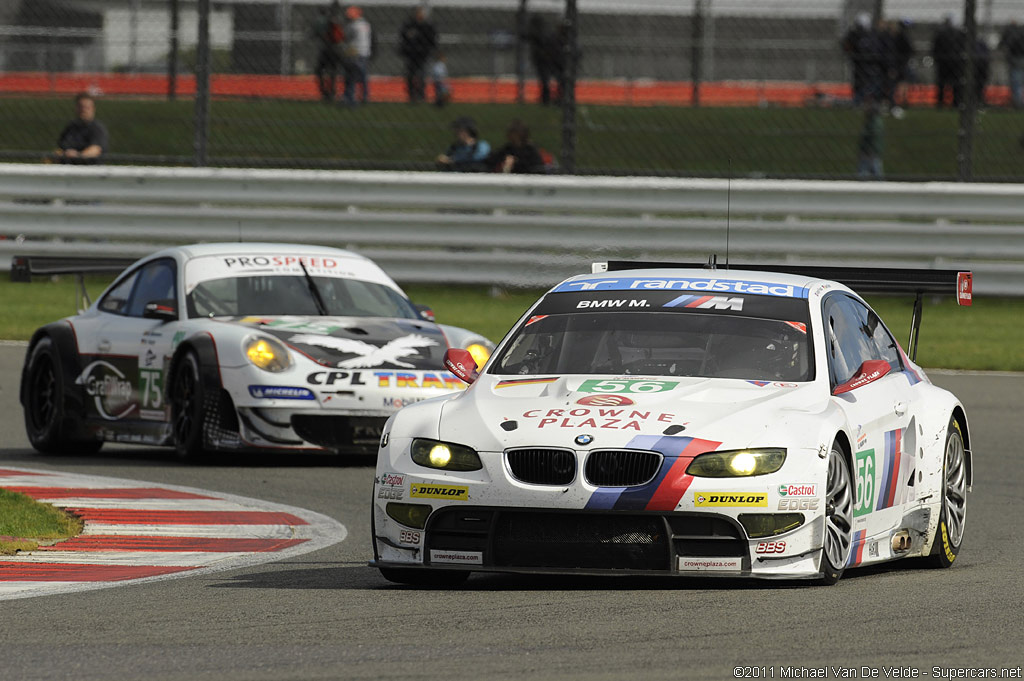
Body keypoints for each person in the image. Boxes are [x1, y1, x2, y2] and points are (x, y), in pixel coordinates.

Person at [53, 92, 108, 165]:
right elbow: (61, 147)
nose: (83, 110)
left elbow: (95, 150)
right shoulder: (71, 127)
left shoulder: (97, 128)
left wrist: (78, 155)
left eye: (87, 107)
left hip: (90, 170)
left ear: (93, 109)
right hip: (69, 169)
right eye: (80, 107)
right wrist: (61, 154)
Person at [398, 6, 437, 104]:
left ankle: (421, 94)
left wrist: (427, 49)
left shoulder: (427, 26)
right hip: (411, 54)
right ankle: (411, 95)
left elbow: (432, 40)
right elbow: (403, 37)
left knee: (422, 75)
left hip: (423, 55)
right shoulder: (409, 25)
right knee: (410, 75)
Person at [312, 1, 345, 102]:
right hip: (337, 49)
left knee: (319, 70)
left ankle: (325, 91)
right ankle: (332, 91)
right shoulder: (340, 19)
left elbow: (315, 34)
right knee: (333, 70)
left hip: (326, 49)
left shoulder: (323, 20)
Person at [526, 14, 559, 105]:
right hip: (543, 59)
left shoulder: (541, 32)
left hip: (545, 59)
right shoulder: (539, 32)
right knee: (545, 79)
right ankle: (547, 97)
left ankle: (547, 98)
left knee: (546, 79)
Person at [342, 6, 372, 105]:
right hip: (364, 53)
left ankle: (350, 98)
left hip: (354, 53)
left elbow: (346, 37)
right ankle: (364, 96)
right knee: (362, 77)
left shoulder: (353, 25)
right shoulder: (365, 24)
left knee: (351, 77)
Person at [932, 15, 963, 108]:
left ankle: (940, 102)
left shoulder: (940, 33)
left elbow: (935, 48)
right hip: (954, 62)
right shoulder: (958, 33)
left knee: (941, 83)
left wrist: (937, 59)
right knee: (955, 83)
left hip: (943, 61)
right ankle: (955, 102)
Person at [999, 20, 1024, 108]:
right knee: (1019, 82)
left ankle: (1018, 103)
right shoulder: (1020, 32)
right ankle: (1018, 102)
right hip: (1020, 58)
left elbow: (1003, 44)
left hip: (1014, 59)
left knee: (1016, 82)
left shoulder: (1010, 33)